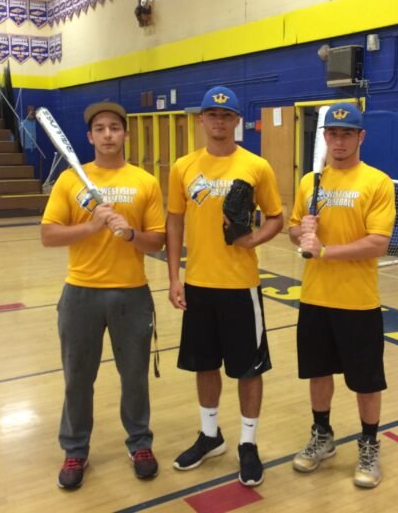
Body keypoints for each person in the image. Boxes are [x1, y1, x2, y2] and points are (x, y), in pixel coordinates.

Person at [41, 101, 166, 490]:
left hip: (131, 294)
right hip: (81, 293)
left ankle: (140, 443)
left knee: (135, 377)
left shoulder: (145, 181)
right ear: (90, 137)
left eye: (115, 127)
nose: (108, 134)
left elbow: (157, 241)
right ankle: (75, 449)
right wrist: (92, 226)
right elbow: (48, 235)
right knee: (78, 377)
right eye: (100, 128)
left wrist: (130, 234)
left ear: (125, 134)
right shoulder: (70, 181)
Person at [166, 86, 284, 486]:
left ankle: (248, 443)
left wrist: (253, 239)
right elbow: (174, 222)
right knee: (204, 364)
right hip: (198, 283)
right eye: (212, 115)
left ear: (236, 121)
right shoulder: (183, 167)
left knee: (248, 369)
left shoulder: (256, 166)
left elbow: (275, 217)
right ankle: (210, 435)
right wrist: (173, 277)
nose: (219, 121)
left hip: (240, 284)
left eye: (227, 115)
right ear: (201, 120)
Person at [288, 102, 395, 489]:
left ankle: (369, 444)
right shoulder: (310, 182)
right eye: (332, 133)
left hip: (358, 301)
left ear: (360, 136)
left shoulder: (377, 182)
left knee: (366, 381)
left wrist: (324, 251)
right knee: (318, 372)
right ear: (325, 136)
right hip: (315, 298)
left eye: (347, 133)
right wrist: (303, 232)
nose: (338, 141)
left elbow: (378, 243)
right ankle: (323, 435)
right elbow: (293, 230)